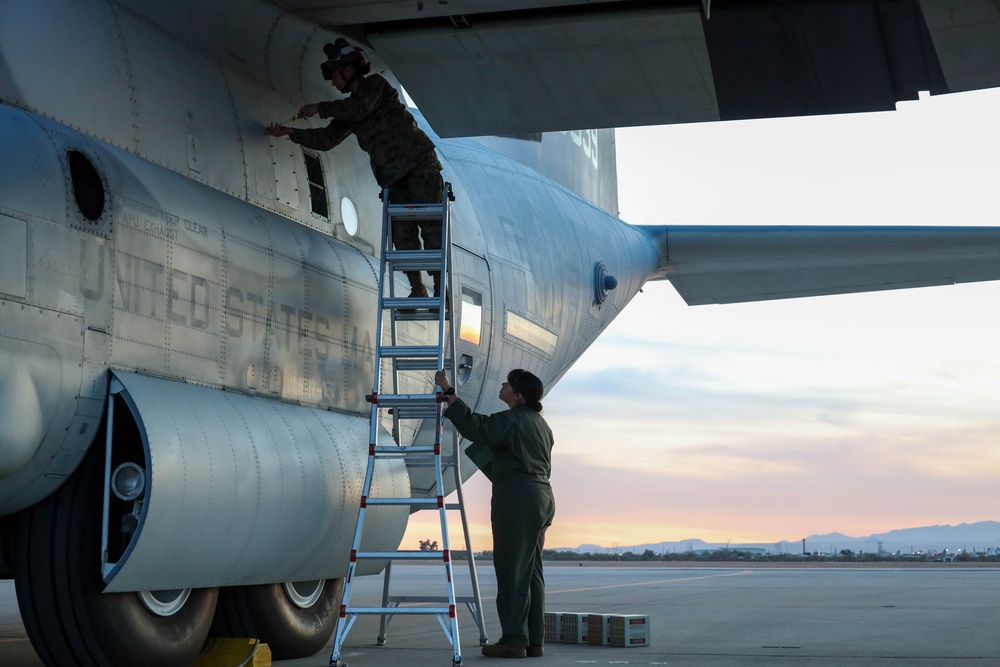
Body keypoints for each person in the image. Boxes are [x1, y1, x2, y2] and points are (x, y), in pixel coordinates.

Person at [268, 38, 444, 302]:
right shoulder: (349, 110)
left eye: (335, 75)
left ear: (349, 69)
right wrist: (292, 133)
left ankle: (440, 288)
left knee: (431, 228)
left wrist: (320, 108)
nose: (333, 83)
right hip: (394, 178)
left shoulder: (375, 86)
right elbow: (328, 140)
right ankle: (417, 288)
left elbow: (359, 107)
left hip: (418, 164)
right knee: (402, 235)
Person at [434, 368, 556, 659]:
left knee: (512, 570)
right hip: (542, 496)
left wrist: (450, 394)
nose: (502, 386)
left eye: (508, 384)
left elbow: (478, 429)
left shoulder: (510, 420)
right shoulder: (541, 424)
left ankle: (514, 640)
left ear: (518, 395)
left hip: (517, 497)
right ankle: (533, 641)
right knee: (532, 572)